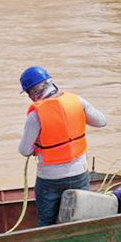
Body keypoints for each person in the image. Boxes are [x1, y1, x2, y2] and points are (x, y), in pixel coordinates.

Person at [17, 66, 108, 227]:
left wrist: (37, 148)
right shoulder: (77, 101)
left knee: (46, 222)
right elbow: (101, 121)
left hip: (50, 178)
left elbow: (24, 150)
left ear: (32, 92)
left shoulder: (35, 115)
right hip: (79, 172)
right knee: (82, 217)